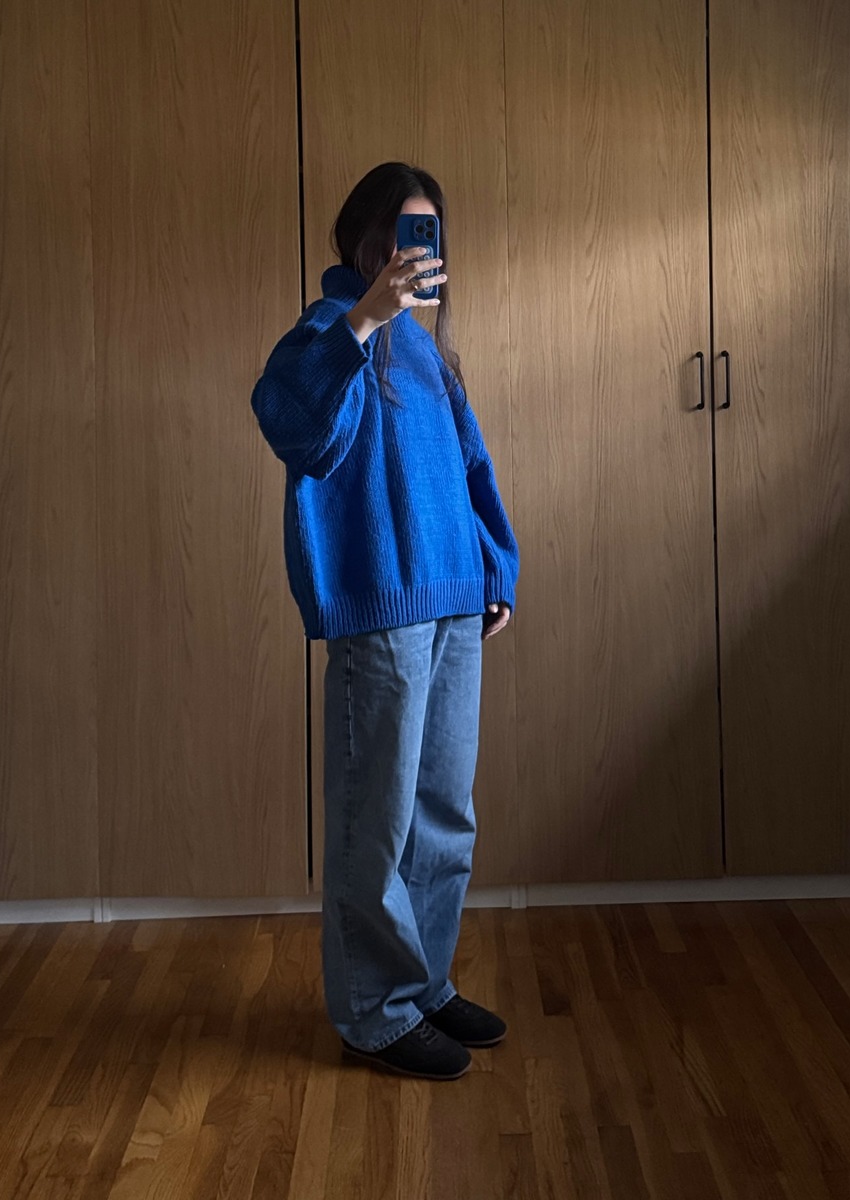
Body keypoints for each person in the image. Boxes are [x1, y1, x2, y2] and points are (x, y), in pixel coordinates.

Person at [251, 162, 519, 1081]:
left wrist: (496, 567)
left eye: (430, 234)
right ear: (366, 242)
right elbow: (293, 425)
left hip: (453, 604)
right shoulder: (331, 329)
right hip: (380, 614)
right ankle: (374, 1014)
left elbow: (472, 465)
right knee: (378, 822)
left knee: (444, 815)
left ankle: (424, 985)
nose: (419, 252)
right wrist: (364, 318)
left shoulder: (429, 354)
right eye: (406, 232)